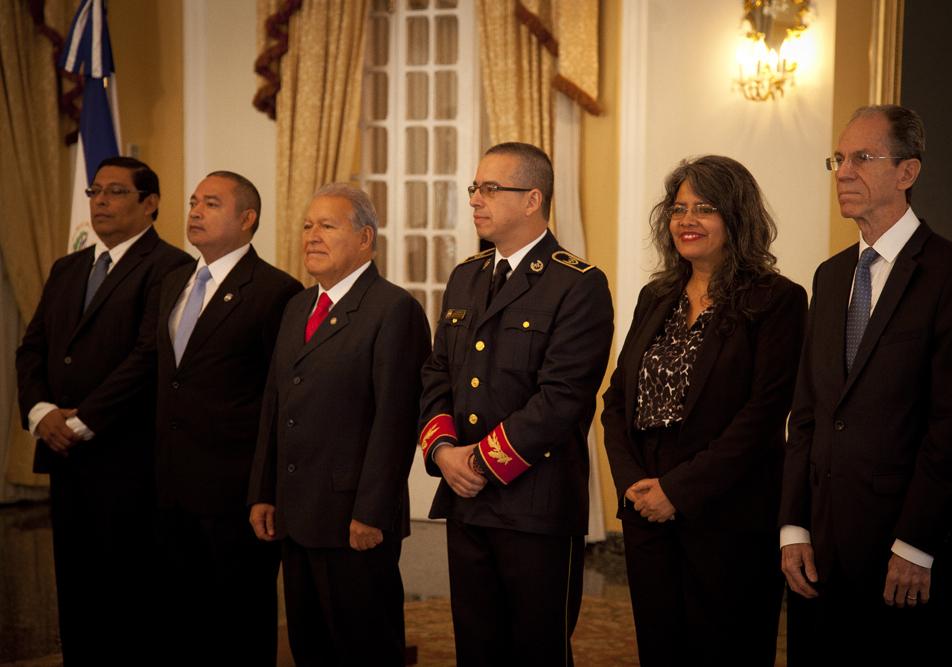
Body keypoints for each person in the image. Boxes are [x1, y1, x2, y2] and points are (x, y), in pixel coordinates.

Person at [779, 105, 952, 665]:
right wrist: (793, 526)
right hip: (817, 551)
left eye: (863, 158)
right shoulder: (828, 277)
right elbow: (807, 413)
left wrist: (915, 544)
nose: (843, 172)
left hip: (896, 549)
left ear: (907, 173)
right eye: (839, 159)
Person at [601, 155, 807, 665]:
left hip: (729, 515)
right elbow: (616, 402)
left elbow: (762, 416)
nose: (686, 220)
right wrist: (633, 485)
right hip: (647, 511)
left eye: (705, 208)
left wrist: (678, 490)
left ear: (736, 218)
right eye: (678, 208)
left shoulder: (777, 300)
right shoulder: (657, 295)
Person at [419, 142, 614, 666]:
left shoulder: (577, 283)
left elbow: (563, 397)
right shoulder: (467, 276)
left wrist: (478, 460)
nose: (475, 200)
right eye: (474, 188)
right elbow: (438, 371)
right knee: (476, 649)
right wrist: (443, 453)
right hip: (468, 503)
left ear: (532, 199)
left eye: (489, 189)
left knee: (536, 652)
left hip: (537, 506)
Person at [15, 156, 193, 665]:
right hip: (64, 455)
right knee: (76, 589)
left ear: (150, 204)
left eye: (115, 192)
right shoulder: (68, 267)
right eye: (95, 192)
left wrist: (81, 419)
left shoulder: (170, 267)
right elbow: (32, 350)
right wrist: (41, 412)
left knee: (128, 593)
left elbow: (147, 356)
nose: (100, 202)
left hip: (126, 456)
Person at [248, 183, 430, 666]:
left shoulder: (393, 309)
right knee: (312, 649)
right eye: (307, 225)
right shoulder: (296, 307)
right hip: (295, 513)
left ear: (366, 239)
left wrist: (371, 511)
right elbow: (274, 404)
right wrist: (263, 491)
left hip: (354, 518)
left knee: (364, 649)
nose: (311, 236)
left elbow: (395, 421)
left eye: (327, 226)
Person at [153, 171, 302, 665]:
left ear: (247, 219)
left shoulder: (276, 291)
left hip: (235, 489)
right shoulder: (175, 280)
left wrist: (267, 487)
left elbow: (280, 398)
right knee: (181, 619)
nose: (194, 211)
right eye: (194, 201)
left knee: (238, 622)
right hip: (171, 484)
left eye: (211, 204)